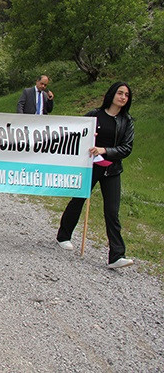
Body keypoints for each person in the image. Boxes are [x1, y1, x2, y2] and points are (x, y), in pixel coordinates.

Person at [56, 82, 135, 269]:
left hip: (112, 170)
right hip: (89, 167)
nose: (123, 97)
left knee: (112, 211)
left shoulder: (127, 121)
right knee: (77, 201)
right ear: (112, 94)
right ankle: (63, 236)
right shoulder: (94, 115)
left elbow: (127, 148)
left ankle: (116, 255)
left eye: (126, 95)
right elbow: (77, 134)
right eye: (120, 93)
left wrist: (104, 150)